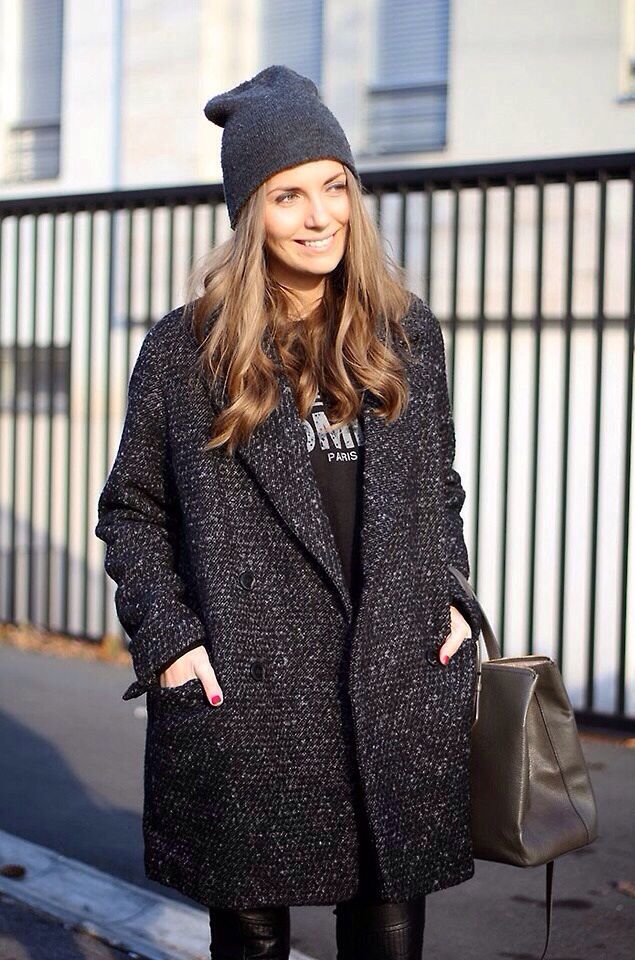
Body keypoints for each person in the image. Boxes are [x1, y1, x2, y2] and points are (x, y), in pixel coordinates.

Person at [95, 65, 482, 960]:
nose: (320, 217)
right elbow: (133, 511)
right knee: (252, 942)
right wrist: (171, 642)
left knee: (389, 935)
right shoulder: (185, 349)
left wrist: (454, 596)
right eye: (288, 195)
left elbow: (439, 487)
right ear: (249, 215)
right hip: (249, 694)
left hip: (394, 683)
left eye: (334, 187)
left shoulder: (405, 333)